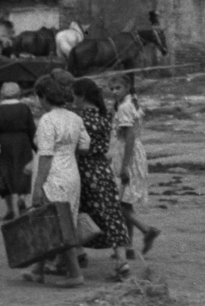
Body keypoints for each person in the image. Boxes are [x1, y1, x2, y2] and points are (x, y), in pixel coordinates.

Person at [27, 73, 88, 287]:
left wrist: (37, 187)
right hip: (71, 173)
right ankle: (38, 270)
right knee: (59, 220)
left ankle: (75, 274)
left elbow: (45, 155)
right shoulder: (75, 118)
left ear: (44, 97)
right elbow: (84, 146)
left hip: (53, 174)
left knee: (56, 224)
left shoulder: (47, 120)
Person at [72, 77, 131, 280]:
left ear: (80, 97)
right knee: (111, 213)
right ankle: (121, 261)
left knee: (77, 211)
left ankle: (77, 253)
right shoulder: (104, 117)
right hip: (102, 169)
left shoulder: (79, 120)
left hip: (83, 169)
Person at [109, 76, 161, 259]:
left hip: (128, 154)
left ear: (127, 87)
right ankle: (128, 246)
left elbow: (129, 136)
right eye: (112, 88)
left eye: (118, 87)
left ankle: (146, 229)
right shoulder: (131, 102)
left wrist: (125, 166)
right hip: (134, 152)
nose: (115, 91)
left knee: (119, 204)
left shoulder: (124, 107)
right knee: (126, 201)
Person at [0, 81, 37, 220]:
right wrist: (37, 146)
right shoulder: (24, 108)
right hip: (22, 144)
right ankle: (21, 199)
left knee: (5, 175)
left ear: (2, 94)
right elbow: (31, 129)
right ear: (18, 93)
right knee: (23, 173)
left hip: (3, 146)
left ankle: (10, 209)